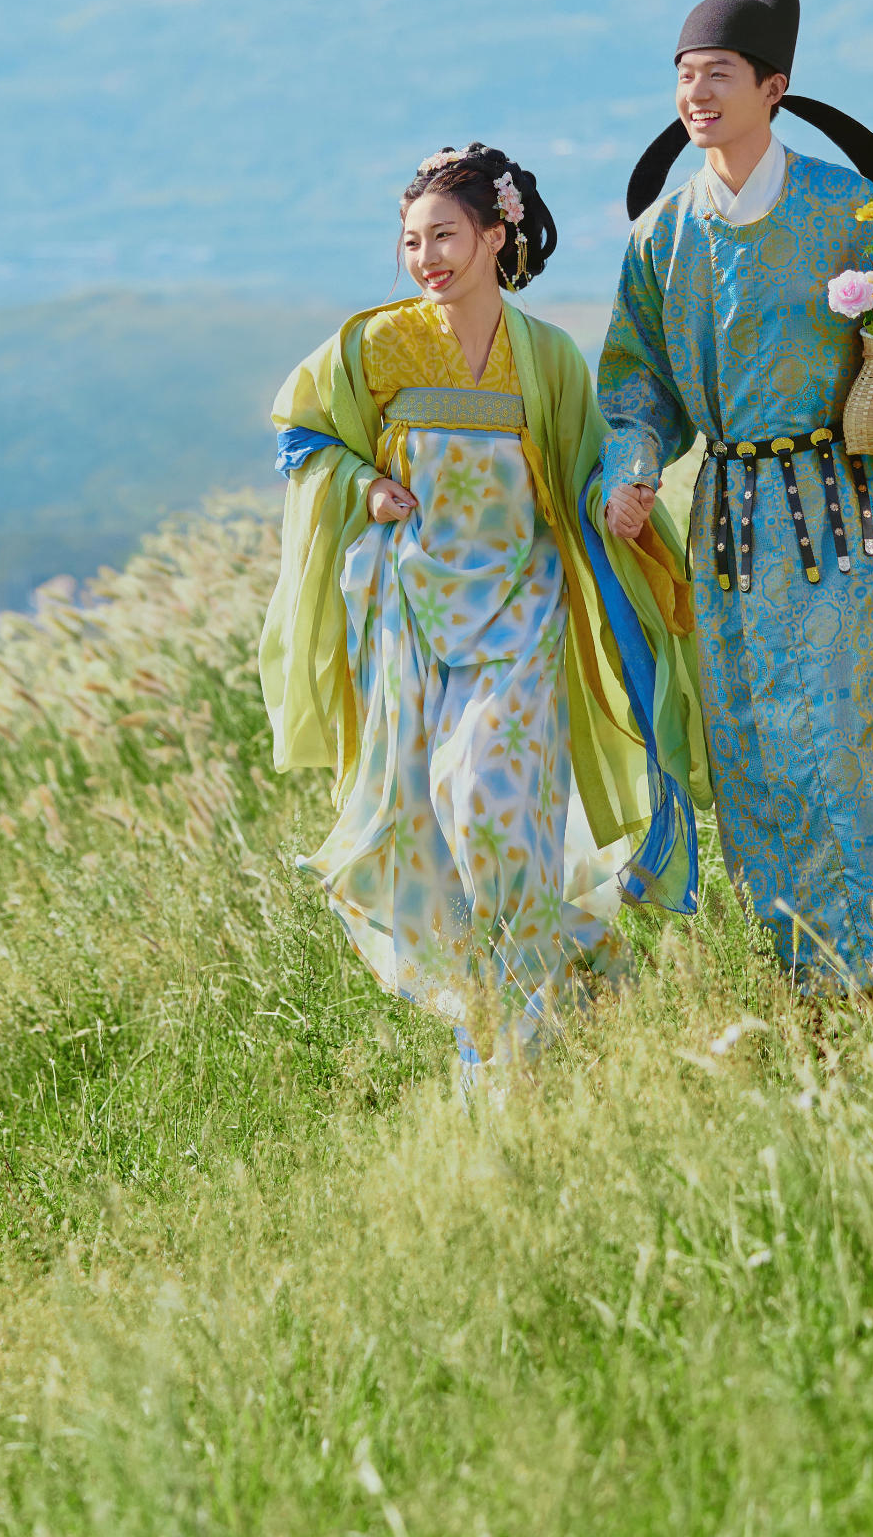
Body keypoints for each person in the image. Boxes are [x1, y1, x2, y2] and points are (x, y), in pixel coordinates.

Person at [259, 143, 703, 1099]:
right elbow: (302, 434)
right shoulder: (374, 346)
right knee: (438, 830)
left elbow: (584, 468)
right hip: (413, 622)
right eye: (412, 241)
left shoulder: (543, 355)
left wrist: (619, 501)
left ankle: (519, 1055)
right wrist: (364, 483)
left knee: (491, 803)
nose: (427, 258)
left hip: (524, 613)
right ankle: (560, 998)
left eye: (447, 237)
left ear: (498, 237)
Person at [596, 0, 873, 990]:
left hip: (848, 516)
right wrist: (633, 470)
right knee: (757, 761)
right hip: (730, 529)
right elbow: (636, 386)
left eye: (719, 73)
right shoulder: (661, 240)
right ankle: (812, 988)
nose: (697, 94)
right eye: (685, 75)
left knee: (854, 750)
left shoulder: (851, 213)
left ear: (774, 87)